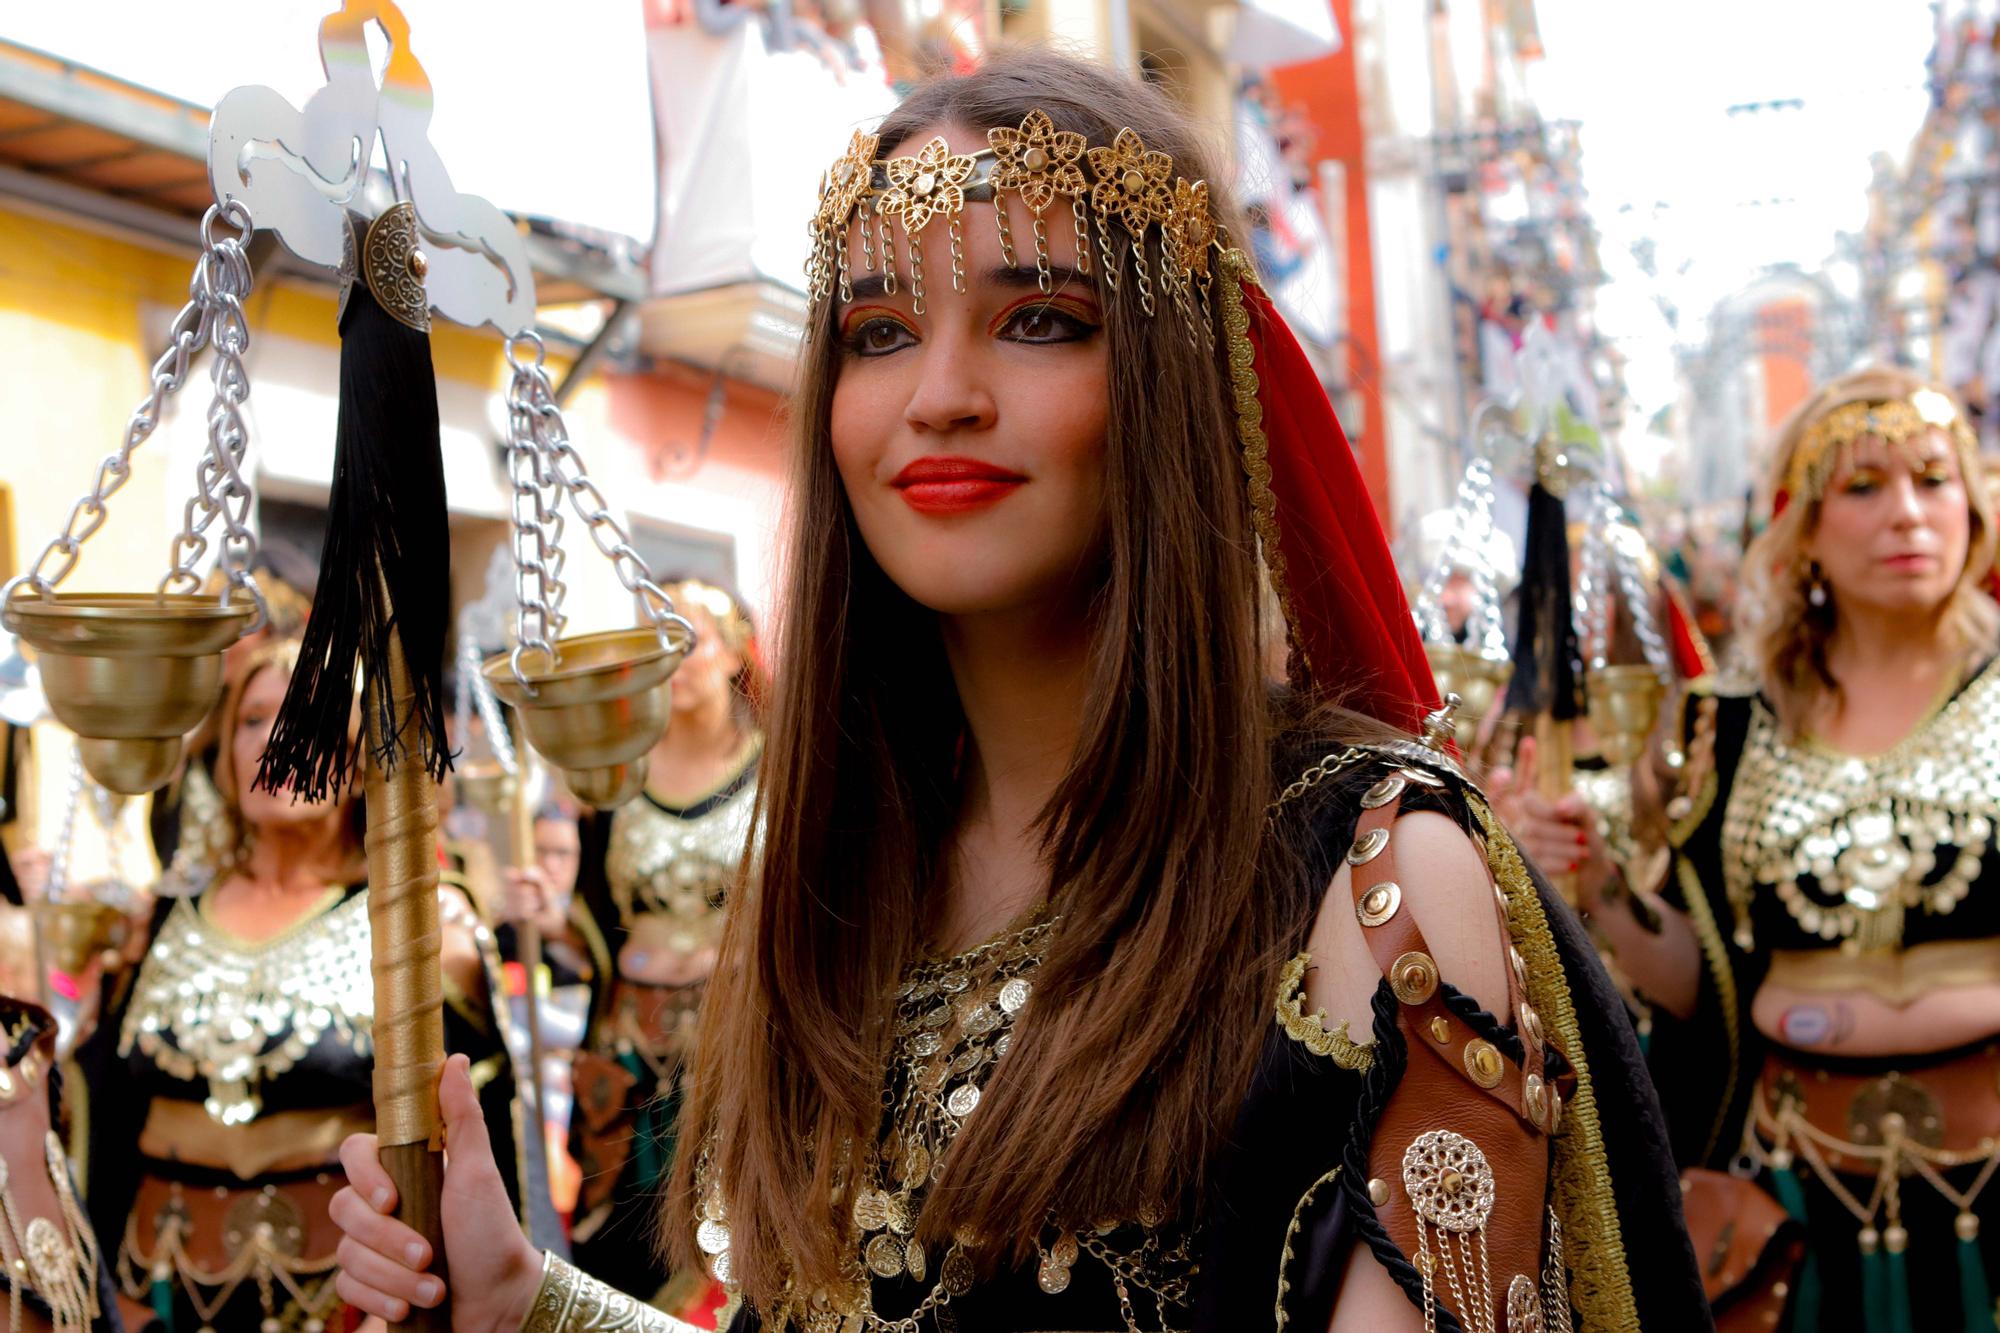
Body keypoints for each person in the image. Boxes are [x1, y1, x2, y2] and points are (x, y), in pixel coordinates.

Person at [329, 49, 1706, 1333]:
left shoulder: (1377, 878)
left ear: (1172, 384)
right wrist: (526, 1298)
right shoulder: (842, 874)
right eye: (876, 331)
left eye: (1037, 319)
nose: (938, 394)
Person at [1507, 366, 2000, 1332]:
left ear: (1975, 512)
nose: (1907, 513)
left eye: (1935, 480)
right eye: (1862, 487)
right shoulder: (1722, 730)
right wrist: (1598, 886)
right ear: (1803, 528)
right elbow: (1708, 985)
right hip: (1795, 1189)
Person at [71, 637, 524, 1332]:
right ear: (224, 749)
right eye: (254, 720)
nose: (278, 739)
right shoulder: (158, 918)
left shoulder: (424, 925)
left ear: (360, 751)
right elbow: (106, 1120)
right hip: (155, 1296)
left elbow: (481, 1143)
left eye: (310, 716)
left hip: (348, 1305)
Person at [496, 578, 765, 1313]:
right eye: (656, 643)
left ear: (735, 651)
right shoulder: (611, 782)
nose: (672, 660)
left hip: (746, 1042)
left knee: (741, 1232)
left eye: (692, 638)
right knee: (627, 1240)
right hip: (630, 1052)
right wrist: (545, 918)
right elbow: (590, 919)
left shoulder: (778, 768)